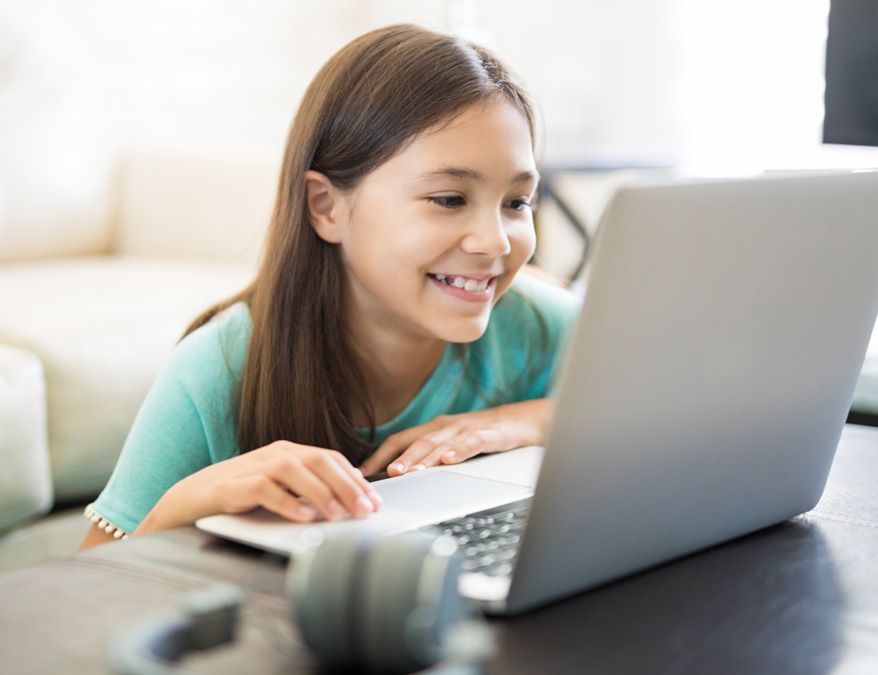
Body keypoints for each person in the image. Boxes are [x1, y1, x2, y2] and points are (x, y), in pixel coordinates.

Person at [79, 24, 579, 549]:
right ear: (326, 207)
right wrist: (191, 499)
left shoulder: (546, 326)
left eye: (517, 203)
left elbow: (668, 424)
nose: (496, 242)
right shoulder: (221, 366)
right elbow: (89, 591)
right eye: (449, 199)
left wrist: (525, 421)